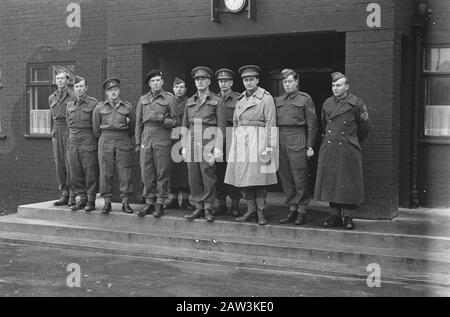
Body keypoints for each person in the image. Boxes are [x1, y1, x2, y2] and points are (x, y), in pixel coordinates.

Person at [314, 72, 370, 230]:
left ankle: (348, 217)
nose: (335, 88)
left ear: (347, 87)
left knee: (348, 183)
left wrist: (351, 140)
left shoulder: (356, 103)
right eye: (333, 85)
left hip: (348, 148)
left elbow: (364, 128)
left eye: (339, 85)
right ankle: (335, 215)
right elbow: (326, 125)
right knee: (332, 182)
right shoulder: (327, 103)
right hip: (331, 148)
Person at [224, 65, 278, 225]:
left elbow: (271, 122)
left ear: (257, 80)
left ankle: (261, 213)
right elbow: (235, 122)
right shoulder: (240, 99)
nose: (248, 83)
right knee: (242, 178)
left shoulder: (266, 98)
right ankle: (251, 210)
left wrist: (269, 145)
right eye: (246, 80)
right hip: (241, 142)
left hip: (259, 140)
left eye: (251, 80)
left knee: (259, 179)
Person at [182, 66, 226, 222]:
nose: (200, 82)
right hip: (192, 139)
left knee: (208, 175)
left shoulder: (216, 101)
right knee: (193, 176)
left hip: (209, 140)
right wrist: (184, 146)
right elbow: (185, 126)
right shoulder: (189, 101)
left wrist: (218, 148)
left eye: (203, 79)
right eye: (197, 79)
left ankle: (208, 207)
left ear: (208, 81)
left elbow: (221, 126)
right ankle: (198, 207)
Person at [275, 69, 318, 225]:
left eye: (289, 81)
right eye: (284, 82)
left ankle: (302, 210)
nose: (286, 84)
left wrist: (310, 146)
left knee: (299, 176)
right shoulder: (278, 100)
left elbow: (313, 125)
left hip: (297, 137)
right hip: (281, 139)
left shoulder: (305, 99)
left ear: (296, 82)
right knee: (286, 177)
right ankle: (292, 209)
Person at [92, 77, 135, 214]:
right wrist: (106, 138)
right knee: (105, 172)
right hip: (106, 139)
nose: (113, 93)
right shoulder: (99, 108)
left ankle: (125, 202)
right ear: (106, 93)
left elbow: (132, 128)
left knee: (125, 172)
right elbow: (96, 129)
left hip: (123, 139)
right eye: (110, 90)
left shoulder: (127, 107)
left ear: (119, 90)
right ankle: (107, 202)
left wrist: (123, 136)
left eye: (115, 89)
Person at [135, 70, 174, 218]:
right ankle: (149, 202)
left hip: (162, 136)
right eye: (153, 81)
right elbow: (138, 123)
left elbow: (176, 121)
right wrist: (138, 143)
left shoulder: (169, 98)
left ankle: (160, 203)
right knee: (147, 172)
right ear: (149, 84)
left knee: (162, 172)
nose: (156, 83)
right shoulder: (143, 99)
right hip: (146, 137)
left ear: (162, 82)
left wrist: (161, 118)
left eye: (158, 80)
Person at [66, 76, 99, 211]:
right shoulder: (69, 105)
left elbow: (96, 125)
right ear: (74, 89)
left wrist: (92, 140)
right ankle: (82, 198)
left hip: (88, 140)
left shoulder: (93, 104)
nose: (79, 89)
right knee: (76, 172)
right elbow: (69, 123)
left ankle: (91, 200)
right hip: (73, 141)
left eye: (81, 86)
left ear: (86, 88)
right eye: (76, 87)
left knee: (90, 171)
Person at [163, 77, 195, 211]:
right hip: (173, 137)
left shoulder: (190, 101)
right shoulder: (169, 103)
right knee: (174, 168)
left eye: (182, 87)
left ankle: (186, 200)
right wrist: (173, 123)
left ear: (185, 89)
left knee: (186, 168)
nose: (179, 89)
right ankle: (174, 198)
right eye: (177, 87)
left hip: (187, 136)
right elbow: (164, 119)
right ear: (173, 89)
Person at [214, 68, 242, 217]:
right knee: (219, 171)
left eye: (226, 81)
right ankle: (221, 204)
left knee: (234, 172)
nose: (223, 84)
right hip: (218, 137)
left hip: (233, 136)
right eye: (220, 81)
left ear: (231, 82)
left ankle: (235, 204)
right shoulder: (213, 98)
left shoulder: (239, 98)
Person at [50, 69, 76, 206]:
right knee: (59, 163)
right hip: (57, 129)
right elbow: (52, 116)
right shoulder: (52, 97)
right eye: (58, 79)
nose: (60, 81)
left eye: (62, 78)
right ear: (55, 81)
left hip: (69, 129)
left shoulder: (73, 96)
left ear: (67, 80)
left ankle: (73, 194)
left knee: (69, 162)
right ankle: (64, 193)